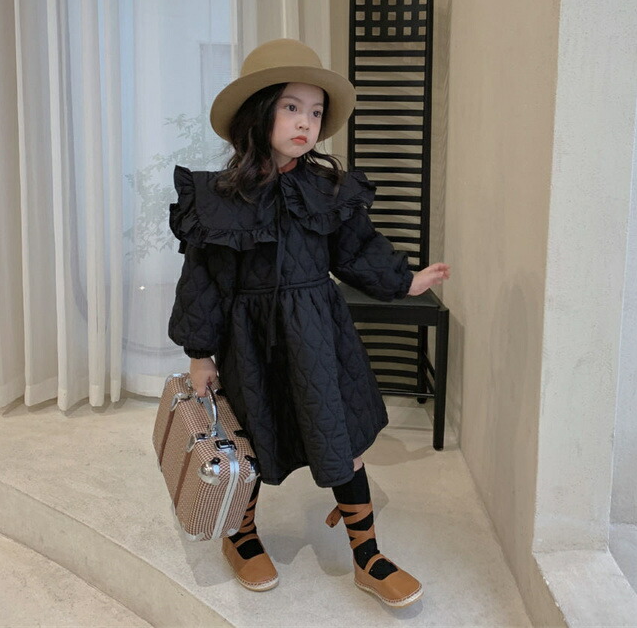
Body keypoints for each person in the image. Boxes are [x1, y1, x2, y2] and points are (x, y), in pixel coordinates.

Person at [167, 38, 450, 608]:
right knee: (249, 438)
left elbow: (356, 248)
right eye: (292, 107)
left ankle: (368, 556)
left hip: (319, 332)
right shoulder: (221, 198)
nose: (306, 122)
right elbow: (204, 280)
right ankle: (241, 535)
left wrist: (404, 280)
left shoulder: (325, 189)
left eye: (316, 112)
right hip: (250, 340)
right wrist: (200, 353)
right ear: (258, 113)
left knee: (338, 434)